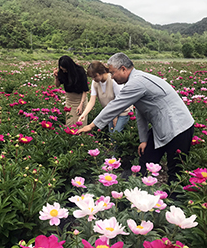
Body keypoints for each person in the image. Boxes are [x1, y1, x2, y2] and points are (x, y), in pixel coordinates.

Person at [78, 53, 194, 184]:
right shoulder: (137, 79)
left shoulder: (136, 82)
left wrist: (92, 125)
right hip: (162, 125)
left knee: (175, 171)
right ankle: (139, 192)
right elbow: (140, 113)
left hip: (179, 126)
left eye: (113, 73)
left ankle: (174, 200)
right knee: (146, 159)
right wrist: (144, 139)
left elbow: (115, 105)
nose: (111, 76)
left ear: (123, 69)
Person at [78, 61, 132, 132]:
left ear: (101, 72)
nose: (93, 79)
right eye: (92, 77)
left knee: (116, 133)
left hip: (123, 110)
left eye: (95, 76)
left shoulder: (113, 80)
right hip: (110, 112)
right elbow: (92, 101)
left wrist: (115, 116)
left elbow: (119, 101)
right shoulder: (95, 83)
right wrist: (84, 114)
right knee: (112, 133)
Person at [53, 55, 89, 127]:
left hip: (80, 99)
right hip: (69, 100)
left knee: (81, 122)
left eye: (65, 69)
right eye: (62, 69)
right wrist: (56, 77)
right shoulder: (62, 72)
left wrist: (81, 104)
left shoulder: (80, 71)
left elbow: (85, 90)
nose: (64, 71)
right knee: (70, 123)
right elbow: (57, 85)